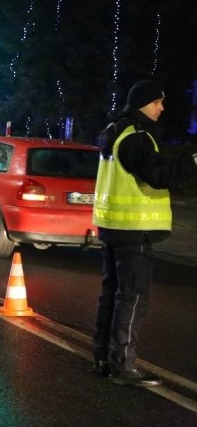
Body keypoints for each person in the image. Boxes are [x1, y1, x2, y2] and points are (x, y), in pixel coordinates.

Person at [91, 80, 197, 387]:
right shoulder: (136, 137)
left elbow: (155, 163)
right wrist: (191, 163)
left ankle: (103, 359)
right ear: (142, 104)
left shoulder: (116, 131)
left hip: (112, 226)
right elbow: (157, 174)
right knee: (133, 299)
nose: (162, 108)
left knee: (112, 294)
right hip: (133, 229)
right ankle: (123, 365)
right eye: (157, 103)